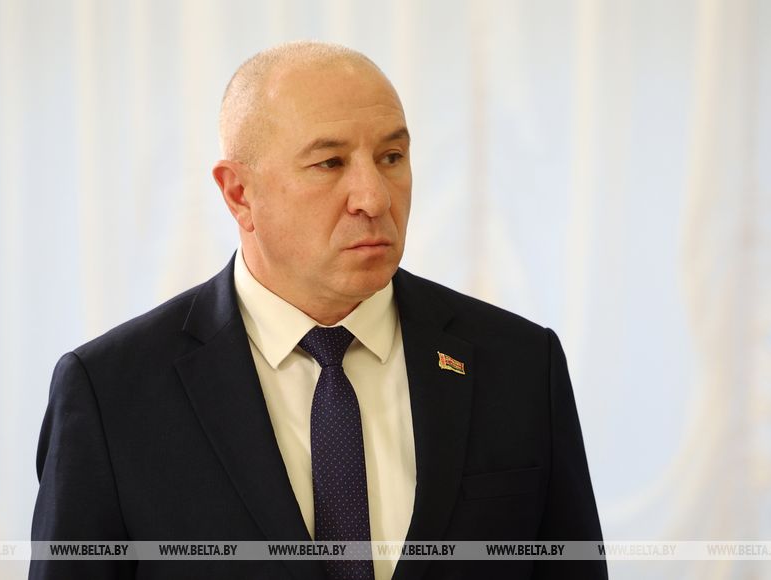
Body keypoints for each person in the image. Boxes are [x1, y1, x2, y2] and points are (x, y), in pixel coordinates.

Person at [30, 41, 607, 580]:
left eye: (392, 156)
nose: (374, 197)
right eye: (330, 163)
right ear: (238, 194)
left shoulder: (520, 364)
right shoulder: (111, 393)